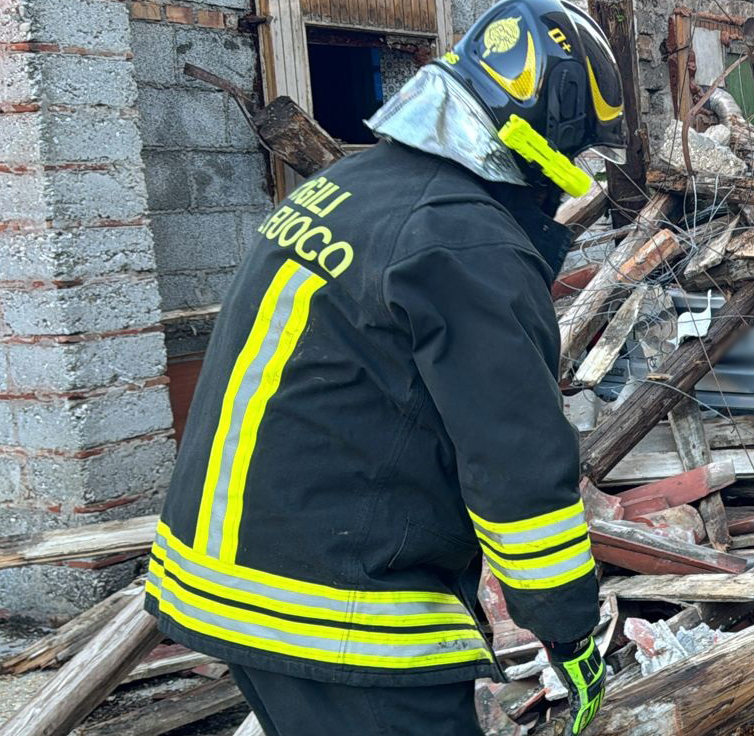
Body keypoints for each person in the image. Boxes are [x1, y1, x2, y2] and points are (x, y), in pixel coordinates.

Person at [144, 1, 626, 733]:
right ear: (550, 133)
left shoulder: (347, 188)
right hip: (335, 608)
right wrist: (568, 628)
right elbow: (517, 467)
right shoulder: (466, 243)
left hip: (226, 576)